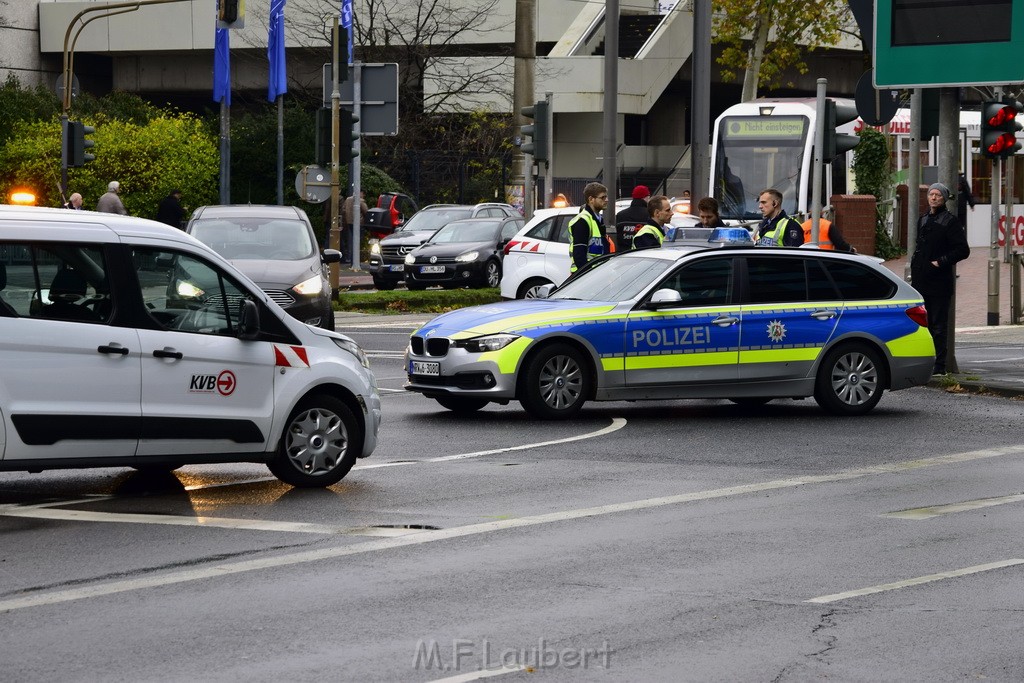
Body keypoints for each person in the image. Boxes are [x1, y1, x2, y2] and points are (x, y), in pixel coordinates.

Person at [911, 182, 970, 376]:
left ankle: (940, 366)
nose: (934, 198)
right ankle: (923, 361)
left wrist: (940, 262)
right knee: (922, 324)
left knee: (938, 325)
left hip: (939, 282)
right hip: (921, 280)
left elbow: (963, 250)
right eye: (931, 194)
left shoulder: (950, 221)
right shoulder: (923, 219)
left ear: (944, 198)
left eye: (938, 195)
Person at [569, 182, 609, 274]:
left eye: (606, 197)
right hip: (587, 274)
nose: (606, 200)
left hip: (596, 272)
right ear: (591, 199)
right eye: (603, 197)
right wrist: (588, 275)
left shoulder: (597, 219)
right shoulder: (583, 220)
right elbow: (579, 254)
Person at [614, 184, 650, 251]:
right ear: (645, 197)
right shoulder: (650, 214)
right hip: (644, 254)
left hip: (623, 254)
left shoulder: (620, 215)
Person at [342, 190, 368, 262]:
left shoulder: (347, 199)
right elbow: (366, 211)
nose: (363, 195)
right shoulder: (361, 201)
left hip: (349, 222)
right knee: (357, 241)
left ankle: (350, 258)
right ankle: (355, 260)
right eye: (363, 193)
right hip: (359, 223)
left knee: (352, 241)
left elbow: (343, 210)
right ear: (360, 193)